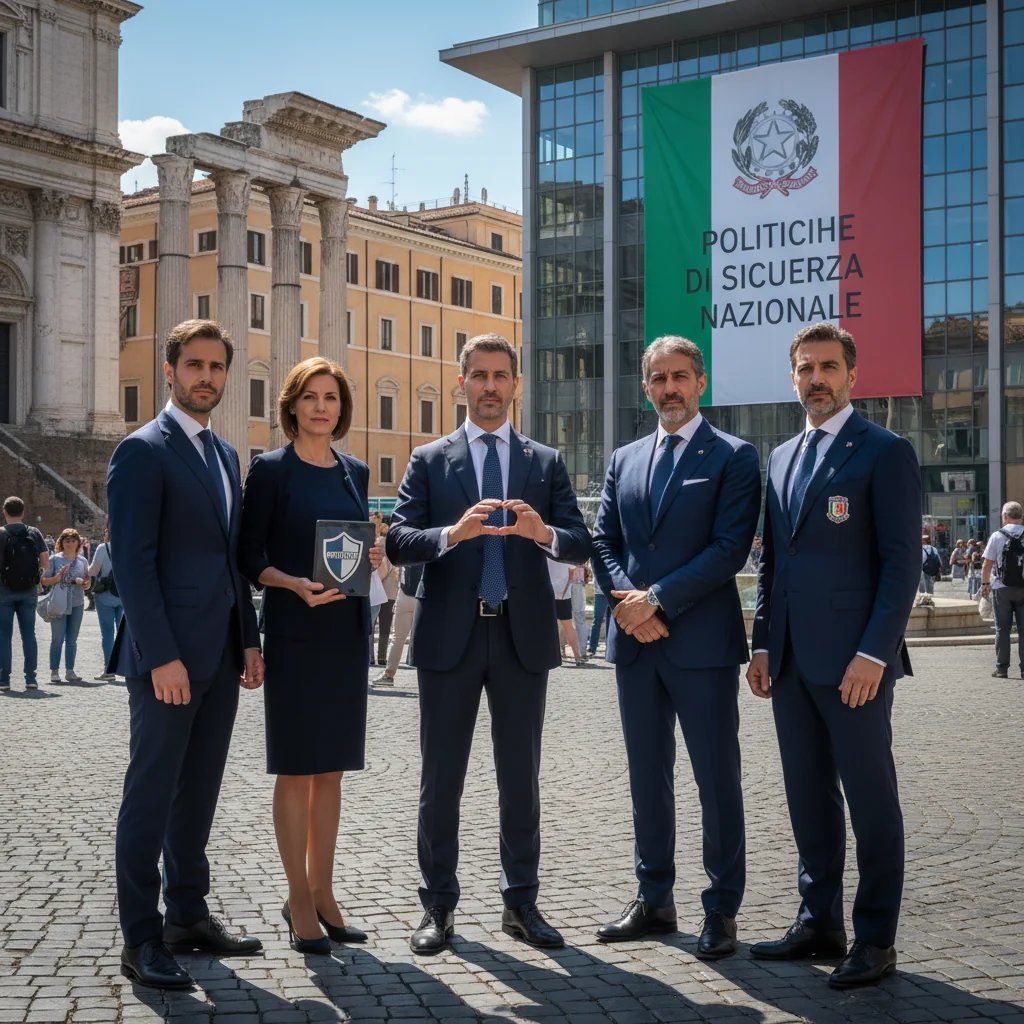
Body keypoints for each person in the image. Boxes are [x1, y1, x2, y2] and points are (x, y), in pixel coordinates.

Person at [386, 332, 591, 955]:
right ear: (461, 382)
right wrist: (451, 534)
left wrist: (544, 532)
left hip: (521, 637)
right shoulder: (429, 459)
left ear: (516, 385)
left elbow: (582, 541)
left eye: (501, 376)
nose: (490, 387)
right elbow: (397, 540)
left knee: (520, 779)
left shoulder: (545, 462)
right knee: (440, 779)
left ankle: (521, 904)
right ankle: (438, 907)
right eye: (479, 375)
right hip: (450, 636)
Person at [747, 322, 921, 989]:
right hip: (790, 662)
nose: (815, 378)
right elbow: (772, 566)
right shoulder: (782, 457)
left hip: (856, 666)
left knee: (871, 800)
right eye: (804, 368)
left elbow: (901, 563)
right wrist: (762, 643)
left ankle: (876, 939)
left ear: (852, 373)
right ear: (792, 377)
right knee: (808, 798)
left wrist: (875, 654)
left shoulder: (884, 451)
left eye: (827, 366)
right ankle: (819, 919)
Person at [107, 318, 265, 990]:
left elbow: (231, 562)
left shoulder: (226, 456)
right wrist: (159, 654)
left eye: (216, 367)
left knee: (197, 795)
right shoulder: (143, 450)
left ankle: (188, 916)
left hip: (221, 657)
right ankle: (142, 939)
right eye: (194, 365)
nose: (206, 377)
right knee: (150, 796)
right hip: (168, 661)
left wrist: (249, 640)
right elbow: (134, 567)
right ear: (170, 370)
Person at [591, 335, 761, 958]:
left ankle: (721, 909)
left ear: (701, 382)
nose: (670, 388)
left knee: (717, 779)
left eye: (680, 377)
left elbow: (729, 549)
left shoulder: (735, 457)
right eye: (659, 379)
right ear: (646, 387)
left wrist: (654, 599)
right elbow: (602, 540)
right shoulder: (624, 458)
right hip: (636, 644)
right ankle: (654, 897)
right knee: (646, 777)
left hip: (702, 644)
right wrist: (628, 607)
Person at [239, 356, 381, 954]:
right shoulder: (270, 471)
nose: (323, 406)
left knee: (332, 769)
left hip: (346, 635)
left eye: (332, 397)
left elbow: (356, 547)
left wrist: (373, 559)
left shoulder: (356, 471)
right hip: (295, 633)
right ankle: (297, 896)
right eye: (311, 396)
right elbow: (248, 555)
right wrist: (293, 583)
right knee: (296, 768)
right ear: (292, 405)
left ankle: (325, 892)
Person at [0, 496, 48, 692]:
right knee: (29, 634)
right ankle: (31, 678)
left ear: (4, 512)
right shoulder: (34, 532)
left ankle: (4, 679)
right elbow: (45, 559)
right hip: (29, 590)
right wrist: (39, 579)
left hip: (3, 589)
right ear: (23, 512)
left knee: (4, 635)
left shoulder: (1, 533)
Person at [980, 501, 1024, 679]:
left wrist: (984, 585)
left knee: (1002, 630)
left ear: (1005, 516)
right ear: (1021, 517)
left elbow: (987, 563)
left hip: (1001, 588)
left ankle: (1002, 668)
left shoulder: (997, 536)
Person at [40, 528, 89, 683]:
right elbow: (44, 580)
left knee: (72, 639)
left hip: (77, 602)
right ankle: (54, 671)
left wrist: (86, 584)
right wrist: (58, 577)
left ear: (78, 544)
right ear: (61, 543)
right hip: (59, 602)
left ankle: (70, 670)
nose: (69, 544)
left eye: (73, 541)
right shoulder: (55, 559)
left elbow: (87, 582)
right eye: (66, 541)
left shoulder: (83, 561)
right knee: (57, 638)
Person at [374, 562, 422, 686]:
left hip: (405, 594)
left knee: (397, 639)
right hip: (423, 595)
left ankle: (388, 675)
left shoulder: (405, 548)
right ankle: (431, 677)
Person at [89, 525, 123, 681]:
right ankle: (131, 668)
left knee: (107, 634)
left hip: (105, 595)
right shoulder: (128, 547)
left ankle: (109, 670)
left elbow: (93, 571)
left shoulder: (103, 548)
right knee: (125, 633)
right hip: (123, 594)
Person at [548, 556, 583, 666]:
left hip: (548, 592)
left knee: (548, 627)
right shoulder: (566, 553)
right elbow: (572, 574)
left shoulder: (544, 552)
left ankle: (552, 655)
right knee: (568, 626)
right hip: (563, 595)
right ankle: (577, 656)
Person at [375, 526, 399, 666]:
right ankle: (381, 657)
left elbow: (381, 573)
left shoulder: (382, 557)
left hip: (378, 593)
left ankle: (373, 657)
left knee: (374, 627)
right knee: (385, 628)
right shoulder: (392, 556)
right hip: (389, 594)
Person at [588, 573, 609, 658]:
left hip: (612, 591)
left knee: (612, 620)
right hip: (600, 592)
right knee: (597, 619)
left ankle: (612, 647)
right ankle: (592, 647)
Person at [570, 564, 588, 661]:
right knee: (579, 618)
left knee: (577, 618)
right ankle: (581, 652)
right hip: (574, 582)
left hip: (574, 582)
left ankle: (581, 651)